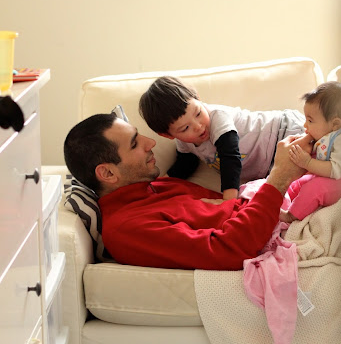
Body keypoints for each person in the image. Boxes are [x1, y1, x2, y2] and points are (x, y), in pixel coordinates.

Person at [63, 112, 313, 271]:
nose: (151, 143)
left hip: (285, 214)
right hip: (278, 235)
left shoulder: (156, 186)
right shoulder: (127, 229)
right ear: (107, 173)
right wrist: (278, 179)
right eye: (135, 144)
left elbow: (233, 207)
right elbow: (230, 250)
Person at [138, 76, 305, 201]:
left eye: (198, 113)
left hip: (284, 132)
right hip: (271, 165)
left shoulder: (218, 118)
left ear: (198, 98)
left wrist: (228, 200)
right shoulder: (183, 142)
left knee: (307, 175)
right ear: (168, 135)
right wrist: (161, 183)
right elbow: (186, 164)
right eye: (185, 128)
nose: (198, 126)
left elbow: (230, 157)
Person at [279, 81, 341, 223]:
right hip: (332, 177)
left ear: (335, 124)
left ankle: (291, 215)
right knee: (302, 181)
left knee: (314, 188)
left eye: (310, 120)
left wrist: (307, 162)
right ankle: (285, 199)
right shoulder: (329, 132)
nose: (305, 125)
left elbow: (336, 170)